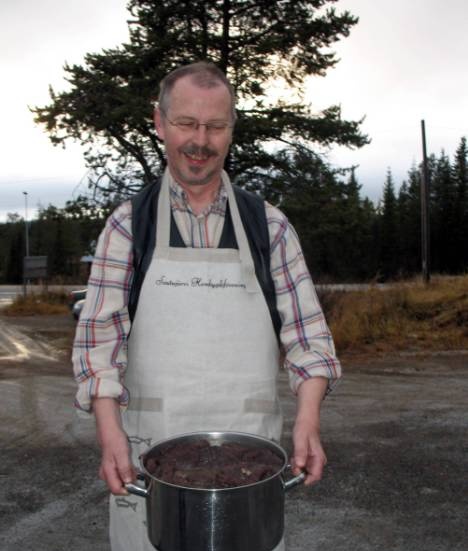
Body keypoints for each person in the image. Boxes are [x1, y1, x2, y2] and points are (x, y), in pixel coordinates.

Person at [72, 61, 341, 551]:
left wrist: (308, 421)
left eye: (216, 127)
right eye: (186, 124)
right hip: (148, 466)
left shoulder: (271, 228)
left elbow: (309, 339)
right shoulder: (128, 227)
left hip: (250, 471)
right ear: (159, 123)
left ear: (231, 129)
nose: (201, 141)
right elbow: (99, 342)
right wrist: (108, 431)